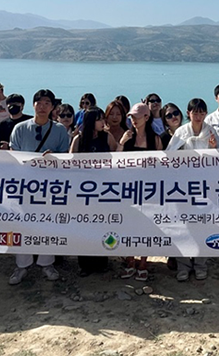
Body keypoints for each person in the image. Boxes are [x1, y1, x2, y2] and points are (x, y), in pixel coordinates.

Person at [8, 89, 70, 285]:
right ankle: (22, 265)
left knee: (48, 223)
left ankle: (46, 263)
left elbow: (65, 157)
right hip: (24, 185)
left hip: (50, 187)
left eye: (46, 103)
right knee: (21, 223)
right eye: (39, 103)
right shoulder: (20, 128)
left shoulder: (60, 130)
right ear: (33, 105)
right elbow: (14, 155)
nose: (42, 107)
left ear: (52, 107)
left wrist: (54, 158)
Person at [165, 99, 217, 281]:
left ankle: (201, 264)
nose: (198, 116)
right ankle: (184, 265)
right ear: (188, 113)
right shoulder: (181, 132)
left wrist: (214, 147)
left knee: (203, 225)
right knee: (184, 226)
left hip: (204, 186)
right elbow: (169, 155)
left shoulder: (211, 131)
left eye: (202, 112)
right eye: (195, 112)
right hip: (182, 186)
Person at [118, 102, 163, 281]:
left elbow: (161, 165)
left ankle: (143, 262)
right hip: (129, 188)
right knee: (128, 225)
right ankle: (130, 261)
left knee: (146, 226)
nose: (133, 120)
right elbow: (116, 161)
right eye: (131, 117)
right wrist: (121, 143)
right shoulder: (127, 136)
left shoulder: (155, 138)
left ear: (146, 117)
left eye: (136, 117)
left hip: (148, 190)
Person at [70, 107, 117, 276]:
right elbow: (69, 162)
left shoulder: (107, 136)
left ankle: (102, 262)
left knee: (102, 225)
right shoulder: (79, 139)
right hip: (84, 192)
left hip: (104, 190)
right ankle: (85, 264)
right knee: (84, 226)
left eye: (103, 118)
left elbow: (118, 157)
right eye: (99, 119)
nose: (103, 122)